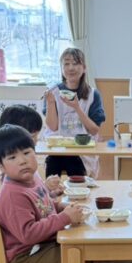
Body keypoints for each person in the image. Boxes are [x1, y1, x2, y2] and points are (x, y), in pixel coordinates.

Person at [0, 125, 86, 263]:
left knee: (83, 247)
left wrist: (61, 207)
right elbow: (29, 234)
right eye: (12, 157)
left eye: (26, 153)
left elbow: (43, 207)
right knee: (78, 254)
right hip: (26, 257)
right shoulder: (13, 195)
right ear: (0, 165)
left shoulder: (33, 177)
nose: (22, 161)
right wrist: (64, 217)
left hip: (44, 246)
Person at [43, 47, 105, 180]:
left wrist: (77, 107)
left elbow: (94, 130)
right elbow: (52, 127)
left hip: (82, 151)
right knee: (52, 163)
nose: (71, 68)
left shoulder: (93, 94)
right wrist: (50, 103)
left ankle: (79, 190)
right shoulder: (53, 91)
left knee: (73, 161)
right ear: (61, 68)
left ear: (84, 68)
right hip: (58, 149)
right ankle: (52, 192)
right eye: (66, 63)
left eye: (75, 63)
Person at [0, 103, 61, 196]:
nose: (36, 141)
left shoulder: (25, 163)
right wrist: (46, 188)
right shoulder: (15, 172)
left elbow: (34, 195)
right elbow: (27, 198)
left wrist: (47, 188)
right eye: (33, 136)